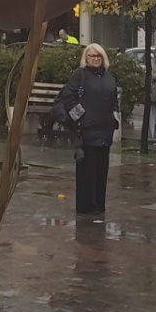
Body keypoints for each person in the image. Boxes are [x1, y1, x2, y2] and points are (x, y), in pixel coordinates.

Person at [55, 43, 119, 217]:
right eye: (92, 56)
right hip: (86, 131)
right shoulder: (79, 75)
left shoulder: (109, 77)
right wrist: (80, 118)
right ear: (86, 58)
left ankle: (99, 205)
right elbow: (69, 97)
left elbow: (114, 99)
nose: (95, 59)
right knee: (87, 171)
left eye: (98, 56)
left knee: (101, 170)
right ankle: (86, 207)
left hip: (105, 130)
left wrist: (115, 118)